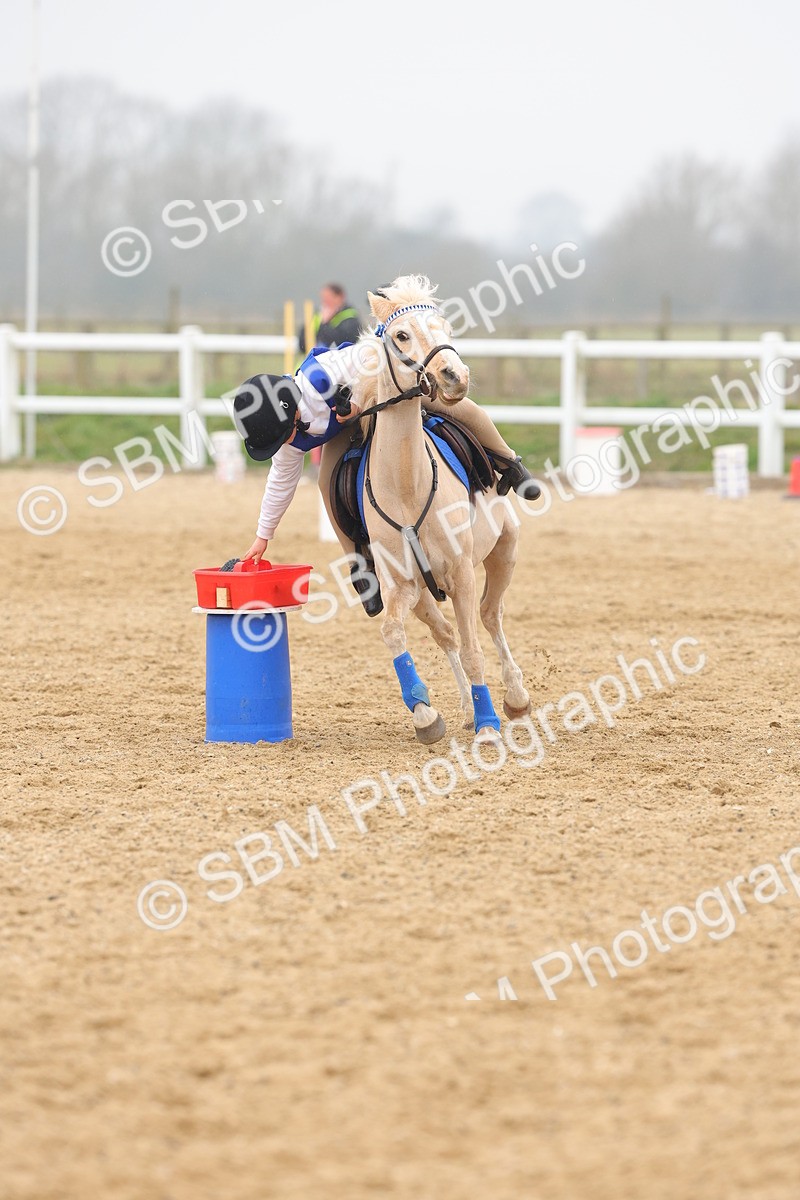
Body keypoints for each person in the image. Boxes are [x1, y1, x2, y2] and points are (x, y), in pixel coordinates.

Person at [235, 282, 537, 617]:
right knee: (324, 482)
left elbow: (374, 356)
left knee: (464, 410)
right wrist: (263, 536)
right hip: (346, 427)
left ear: (292, 411)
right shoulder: (289, 439)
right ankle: (360, 564)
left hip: (386, 391)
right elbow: (280, 485)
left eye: (284, 436)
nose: (288, 444)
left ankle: (510, 463)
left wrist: (359, 399)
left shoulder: (324, 374)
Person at [298, 282, 361, 352]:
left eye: (329, 298)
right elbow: (302, 344)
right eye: (323, 298)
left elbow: (344, 342)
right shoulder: (317, 315)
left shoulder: (350, 316)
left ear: (340, 297)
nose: (325, 301)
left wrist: (325, 323)